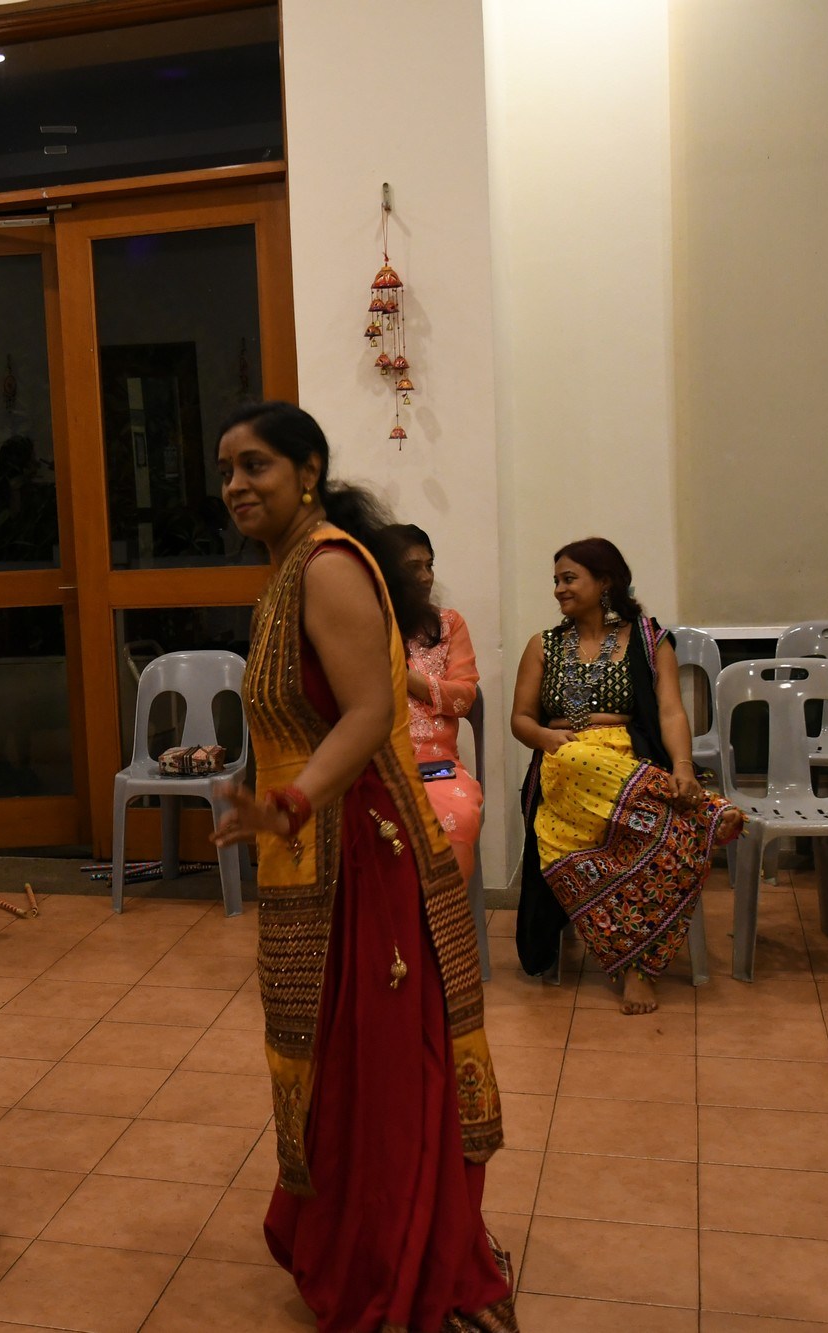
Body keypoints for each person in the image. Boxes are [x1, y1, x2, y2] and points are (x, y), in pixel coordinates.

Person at [207, 402, 514, 1333]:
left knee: (377, 1071)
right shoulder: (289, 567)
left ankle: (412, 1259)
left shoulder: (327, 564)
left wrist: (293, 802)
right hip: (317, 846)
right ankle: (358, 1241)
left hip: (360, 848)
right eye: (226, 470)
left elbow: (371, 711)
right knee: (335, 1063)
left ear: (308, 470)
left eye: (255, 465)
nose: (235, 485)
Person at [509, 538, 741, 1015]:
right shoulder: (543, 645)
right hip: (565, 767)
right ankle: (707, 812)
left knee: (669, 836)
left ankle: (637, 967)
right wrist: (547, 739)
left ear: (605, 582)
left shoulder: (650, 641)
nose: (558, 589)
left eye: (569, 579)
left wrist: (682, 767)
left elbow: (671, 711)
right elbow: (521, 720)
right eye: (556, 580)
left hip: (630, 764)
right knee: (578, 758)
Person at [378, 523, 485, 882]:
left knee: (456, 815)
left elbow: (464, 698)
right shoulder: (364, 625)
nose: (425, 577)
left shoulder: (448, 624)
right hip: (375, 766)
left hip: (436, 766)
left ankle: (443, 914)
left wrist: (405, 676)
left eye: (430, 565)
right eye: (413, 568)